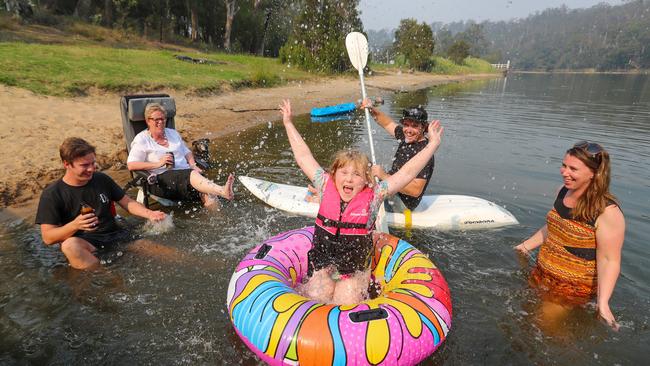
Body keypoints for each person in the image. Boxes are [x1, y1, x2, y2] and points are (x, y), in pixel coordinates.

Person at [280, 100, 443, 304]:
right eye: (344, 173)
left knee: (344, 300)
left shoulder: (375, 195)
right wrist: (288, 123)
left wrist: (433, 144)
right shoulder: (324, 183)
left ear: (366, 180)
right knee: (316, 296)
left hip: (353, 272)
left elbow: (407, 173)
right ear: (333, 175)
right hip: (323, 265)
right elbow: (303, 156)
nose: (348, 179)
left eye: (356, 174)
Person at [514, 141, 625, 330]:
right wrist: (525, 246)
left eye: (573, 169)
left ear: (594, 173)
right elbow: (556, 226)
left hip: (571, 287)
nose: (564, 172)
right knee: (523, 317)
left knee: (542, 328)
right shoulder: (563, 192)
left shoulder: (607, 212)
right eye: (564, 165)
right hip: (542, 274)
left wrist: (603, 303)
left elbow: (609, 260)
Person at [36, 137, 168, 270]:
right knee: (69, 246)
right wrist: (75, 225)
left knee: (176, 257)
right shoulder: (52, 194)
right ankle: (104, 279)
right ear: (67, 164)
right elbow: (48, 237)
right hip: (87, 243)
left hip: (117, 235)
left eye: (93, 163)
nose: (91, 169)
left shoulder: (101, 179)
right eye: (84, 165)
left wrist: (150, 213)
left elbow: (127, 202)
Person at [126, 103, 234, 207]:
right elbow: (131, 165)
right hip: (162, 181)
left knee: (209, 195)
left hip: (187, 177)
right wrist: (158, 164)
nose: (161, 122)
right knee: (191, 176)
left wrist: (192, 164)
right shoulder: (142, 139)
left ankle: (217, 222)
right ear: (148, 121)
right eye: (156, 119)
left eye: (163, 119)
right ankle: (222, 191)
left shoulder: (172, 133)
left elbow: (186, 152)